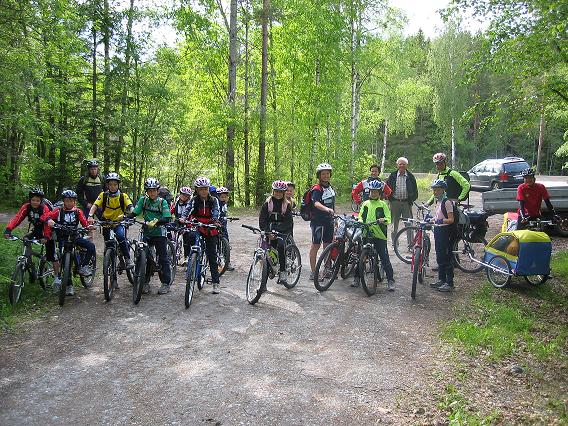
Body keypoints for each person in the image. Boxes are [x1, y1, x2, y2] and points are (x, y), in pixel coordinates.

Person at [42, 190, 96, 296]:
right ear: (64, 201)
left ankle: (84, 266)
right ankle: (69, 286)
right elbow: (45, 216)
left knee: (91, 246)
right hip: (63, 238)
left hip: (75, 236)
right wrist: (49, 220)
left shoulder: (78, 212)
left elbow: (84, 223)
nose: (69, 203)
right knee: (66, 261)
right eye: (67, 201)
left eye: (71, 201)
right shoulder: (58, 211)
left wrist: (88, 226)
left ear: (75, 202)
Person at [4, 188, 60, 288]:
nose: (35, 202)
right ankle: (30, 265)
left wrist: (46, 237)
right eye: (33, 200)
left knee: (52, 255)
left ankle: (57, 278)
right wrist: (9, 229)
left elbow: (47, 223)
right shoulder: (26, 207)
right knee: (26, 239)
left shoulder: (44, 208)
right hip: (37, 228)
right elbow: (18, 218)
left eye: (37, 200)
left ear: (41, 201)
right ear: (30, 199)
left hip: (49, 229)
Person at [128, 178, 172, 295]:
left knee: (163, 258)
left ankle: (166, 283)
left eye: (154, 190)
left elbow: (167, 217)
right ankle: (144, 282)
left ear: (158, 191)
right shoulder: (143, 200)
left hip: (159, 233)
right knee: (143, 256)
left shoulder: (163, 202)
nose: (152, 193)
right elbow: (134, 213)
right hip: (146, 232)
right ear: (146, 191)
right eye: (149, 191)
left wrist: (157, 221)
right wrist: (126, 218)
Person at [181, 177, 222, 294]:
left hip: (210, 226)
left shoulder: (214, 200)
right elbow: (188, 209)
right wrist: (183, 218)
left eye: (205, 189)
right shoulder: (194, 200)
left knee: (212, 255)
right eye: (201, 189)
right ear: (197, 190)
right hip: (197, 224)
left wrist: (214, 220)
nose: (203, 191)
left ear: (208, 189)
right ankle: (191, 263)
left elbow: (216, 211)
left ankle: (215, 282)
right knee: (189, 237)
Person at [87, 172, 134, 271]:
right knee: (108, 245)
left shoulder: (123, 196)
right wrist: (90, 215)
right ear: (107, 185)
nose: (113, 187)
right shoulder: (103, 195)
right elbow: (94, 206)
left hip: (119, 222)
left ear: (118, 185)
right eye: (110, 184)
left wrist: (132, 214)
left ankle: (127, 258)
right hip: (106, 223)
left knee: (121, 236)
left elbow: (130, 207)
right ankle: (110, 267)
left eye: (115, 184)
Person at [357, 180, 395, 290]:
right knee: (361, 256)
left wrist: (383, 220)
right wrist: (360, 220)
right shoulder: (365, 203)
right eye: (371, 192)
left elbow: (389, 218)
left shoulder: (383, 204)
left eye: (375, 192)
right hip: (366, 232)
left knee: (384, 257)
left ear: (379, 193)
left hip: (379, 234)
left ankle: (390, 280)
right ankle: (357, 277)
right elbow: (361, 215)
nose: (373, 194)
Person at [259, 180, 294, 286]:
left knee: (281, 246)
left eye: (280, 192)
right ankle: (263, 284)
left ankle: (283, 271)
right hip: (269, 231)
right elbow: (262, 220)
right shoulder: (267, 204)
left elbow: (288, 223)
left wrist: (278, 232)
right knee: (266, 253)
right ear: (273, 191)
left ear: (283, 193)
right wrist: (267, 232)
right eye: (276, 191)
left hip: (281, 231)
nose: (278, 194)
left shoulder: (286, 205)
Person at [309, 163, 336, 280]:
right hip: (318, 221)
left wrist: (334, 217)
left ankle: (327, 269)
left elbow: (332, 204)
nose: (325, 176)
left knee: (327, 245)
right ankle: (314, 271)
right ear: (319, 176)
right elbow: (315, 203)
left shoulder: (330, 188)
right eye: (323, 174)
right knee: (316, 245)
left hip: (328, 221)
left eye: (327, 173)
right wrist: (326, 209)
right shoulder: (317, 189)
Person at [428, 179, 456, 293]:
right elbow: (438, 216)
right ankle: (441, 279)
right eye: (434, 190)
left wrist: (439, 221)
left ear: (443, 190)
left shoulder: (447, 202)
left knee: (446, 256)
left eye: (437, 189)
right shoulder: (438, 202)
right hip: (438, 231)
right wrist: (433, 220)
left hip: (446, 231)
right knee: (439, 255)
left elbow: (451, 219)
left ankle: (449, 283)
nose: (435, 192)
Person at [387, 157, 418, 244]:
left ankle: (411, 244)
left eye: (403, 164)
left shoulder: (410, 176)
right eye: (400, 164)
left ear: (406, 165)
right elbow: (387, 188)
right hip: (394, 202)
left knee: (409, 224)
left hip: (406, 203)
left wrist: (411, 199)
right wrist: (390, 199)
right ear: (397, 165)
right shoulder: (392, 175)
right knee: (394, 224)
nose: (401, 165)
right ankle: (394, 243)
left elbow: (415, 190)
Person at [171, 186, 193, 264]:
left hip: (187, 223)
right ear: (180, 194)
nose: (184, 196)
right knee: (171, 233)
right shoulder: (177, 202)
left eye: (186, 195)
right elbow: (172, 210)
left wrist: (188, 223)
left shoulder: (190, 204)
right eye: (183, 194)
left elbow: (191, 214)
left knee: (187, 239)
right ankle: (171, 251)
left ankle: (187, 257)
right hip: (177, 221)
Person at [216, 186, 235, 271]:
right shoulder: (216, 204)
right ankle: (216, 261)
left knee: (226, 242)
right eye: (222, 197)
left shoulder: (224, 204)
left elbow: (224, 214)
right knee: (215, 243)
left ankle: (227, 262)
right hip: (216, 225)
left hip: (223, 226)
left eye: (225, 196)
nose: (223, 198)